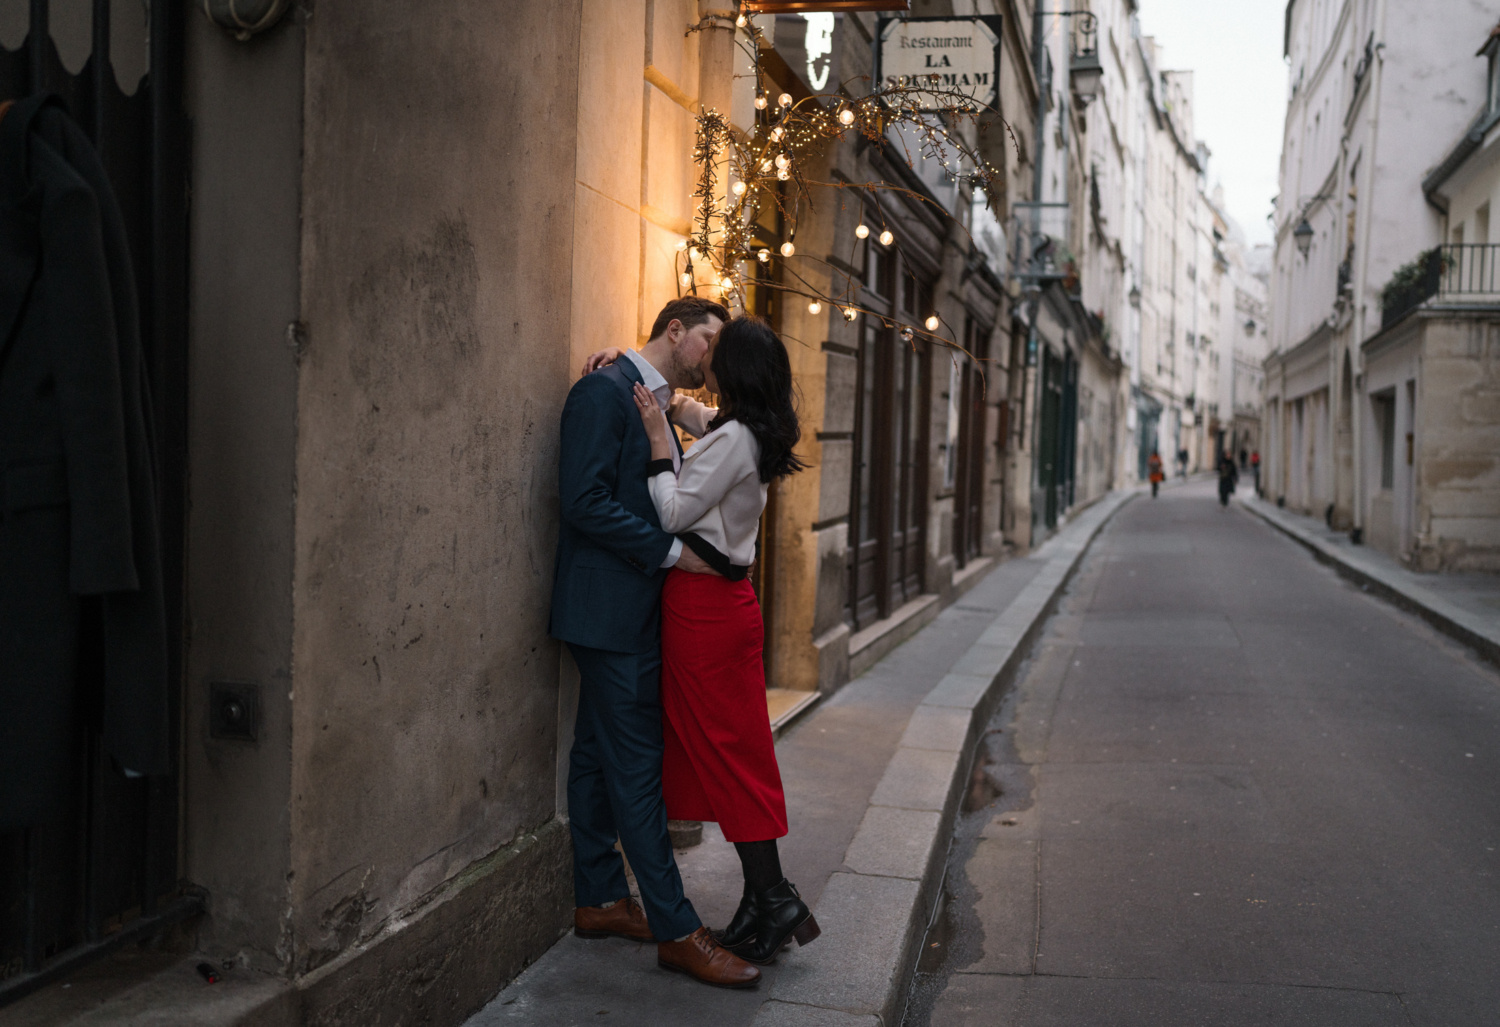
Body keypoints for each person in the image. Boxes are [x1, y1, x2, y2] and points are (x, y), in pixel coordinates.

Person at [551, 296, 761, 989]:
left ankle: (602, 897)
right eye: (708, 339)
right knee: (638, 770)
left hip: (628, 613)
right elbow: (583, 500)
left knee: (592, 754)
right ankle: (677, 928)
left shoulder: (651, 398)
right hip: (609, 612)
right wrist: (672, 554)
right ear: (676, 330)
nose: (714, 356)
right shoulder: (600, 392)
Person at [629, 315, 820, 967]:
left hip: (706, 611)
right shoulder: (747, 431)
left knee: (729, 755)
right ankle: (765, 901)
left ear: (730, 367)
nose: (704, 352)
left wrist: (657, 438)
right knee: (728, 753)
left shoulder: (736, 438)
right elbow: (700, 421)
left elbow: (674, 512)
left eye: (715, 347)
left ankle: (775, 895)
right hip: (722, 607)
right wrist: (664, 397)